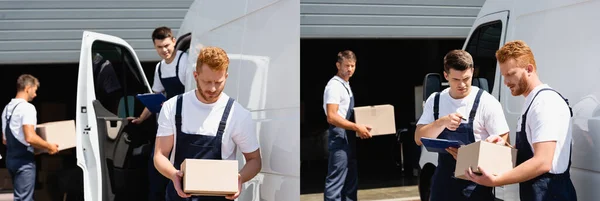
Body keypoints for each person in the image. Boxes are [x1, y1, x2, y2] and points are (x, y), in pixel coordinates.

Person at [465, 40, 577, 201]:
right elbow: (530, 151)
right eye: (504, 76)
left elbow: (542, 162)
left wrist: (496, 181)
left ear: (529, 69)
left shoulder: (544, 103)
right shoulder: (532, 102)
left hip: (550, 194)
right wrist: (505, 147)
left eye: (510, 74)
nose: (506, 82)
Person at [153, 46, 261, 201]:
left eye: (218, 82)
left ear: (226, 76)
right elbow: (160, 155)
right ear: (195, 75)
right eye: (207, 81)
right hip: (178, 196)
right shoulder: (173, 107)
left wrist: (239, 179)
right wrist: (173, 175)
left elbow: (255, 160)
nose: (212, 88)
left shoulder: (238, 114)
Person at [414, 50, 510, 201]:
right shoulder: (436, 100)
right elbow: (419, 137)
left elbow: (503, 144)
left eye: (466, 78)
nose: (462, 84)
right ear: (446, 76)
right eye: (456, 79)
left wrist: (471, 157)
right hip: (443, 183)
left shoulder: (487, 102)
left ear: (472, 71)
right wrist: (441, 122)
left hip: (475, 185)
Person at [323, 50, 372, 201]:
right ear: (338, 65)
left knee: (350, 182)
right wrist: (357, 127)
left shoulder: (346, 85)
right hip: (339, 137)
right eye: (346, 65)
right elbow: (331, 116)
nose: (350, 69)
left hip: (348, 137)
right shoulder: (334, 86)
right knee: (336, 183)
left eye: (352, 66)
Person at [1, 74, 59, 201]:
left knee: (20, 197)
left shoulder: (7, 109)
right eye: (35, 90)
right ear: (27, 88)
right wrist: (49, 146)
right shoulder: (27, 108)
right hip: (23, 161)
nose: (36, 94)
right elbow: (30, 137)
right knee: (25, 199)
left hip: (11, 159)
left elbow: (5, 140)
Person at [132, 26, 195, 124]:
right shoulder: (160, 67)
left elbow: (195, 92)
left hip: (189, 117)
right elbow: (155, 97)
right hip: (172, 118)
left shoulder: (185, 61)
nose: (164, 50)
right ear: (155, 46)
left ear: (174, 41)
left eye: (166, 45)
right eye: (160, 47)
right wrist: (140, 119)